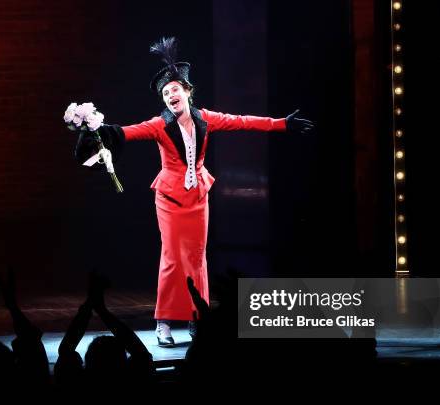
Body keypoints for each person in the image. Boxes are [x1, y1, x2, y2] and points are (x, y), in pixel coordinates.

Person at [74, 37, 314, 347]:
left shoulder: (206, 119)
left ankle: (197, 317)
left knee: (198, 259)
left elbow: (242, 122)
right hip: (170, 197)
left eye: (174, 89)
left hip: (199, 195)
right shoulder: (159, 125)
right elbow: (126, 132)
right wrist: (99, 132)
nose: (170, 94)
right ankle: (163, 323)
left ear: (188, 92)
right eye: (165, 92)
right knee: (173, 258)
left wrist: (281, 124)